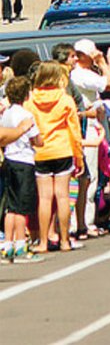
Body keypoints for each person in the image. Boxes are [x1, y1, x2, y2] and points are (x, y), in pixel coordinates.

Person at [28, 60, 84, 250]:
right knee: (62, 196)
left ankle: (43, 241)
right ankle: (65, 240)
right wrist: (79, 156)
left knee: (44, 198)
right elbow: (74, 131)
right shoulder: (65, 99)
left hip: (40, 151)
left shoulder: (30, 101)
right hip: (62, 149)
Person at [0, 74, 39, 260]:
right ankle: (21, 243)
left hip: (9, 158)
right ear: (26, 94)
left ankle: (8, 243)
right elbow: (36, 139)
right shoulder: (26, 115)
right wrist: (40, 140)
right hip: (24, 160)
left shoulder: (6, 113)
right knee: (23, 205)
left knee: (11, 205)